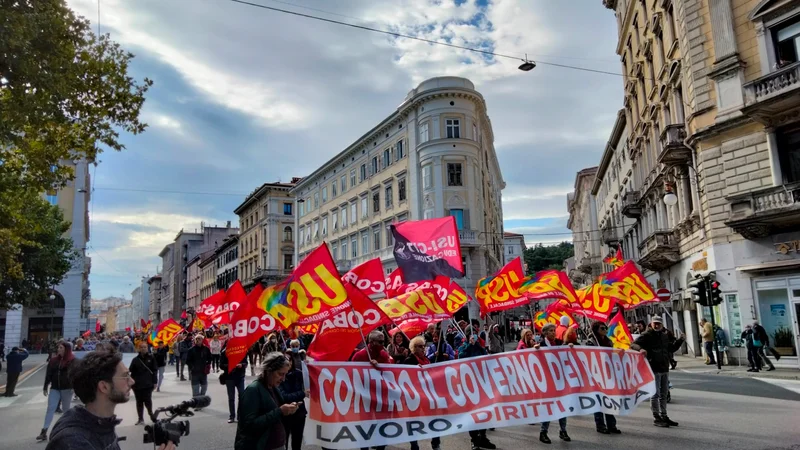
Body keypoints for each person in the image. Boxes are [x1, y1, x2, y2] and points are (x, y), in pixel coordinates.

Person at [45, 350, 175, 450]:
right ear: (104, 387)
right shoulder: (74, 441)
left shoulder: (100, 422)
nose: (132, 381)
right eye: (125, 376)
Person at [234, 353, 300, 450]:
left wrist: (289, 409)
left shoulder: (273, 387)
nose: (283, 379)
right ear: (269, 371)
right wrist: (280, 411)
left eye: (285, 374)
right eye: (280, 374)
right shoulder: (253, 390)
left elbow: (275, 411)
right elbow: (249, 425)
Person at [630, 316, 685, 428]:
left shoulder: (664, 336)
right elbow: (632, 345)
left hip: (664, 368)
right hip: (653, 368)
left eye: (659, 323)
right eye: (655, 323)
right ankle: (656, 417)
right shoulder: (646, 335)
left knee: (664, 394)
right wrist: (640, 349)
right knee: (655, 394)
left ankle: (664, 415)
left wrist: (680, 340)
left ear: (662, 324)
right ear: (651, 323)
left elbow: (671, 348)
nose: (657, 325)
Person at [457, 335, 494, 450]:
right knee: (472, 413)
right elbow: (460, 357)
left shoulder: (480, 347)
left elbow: (486, 358)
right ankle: (474, 440)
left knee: (484, 412)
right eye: (472, 334)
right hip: (469, 385)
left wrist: (478, 346)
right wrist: (469, 346)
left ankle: (483, 437)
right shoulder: (463, 347)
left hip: (482, 383)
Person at [404, 336, 441, 450]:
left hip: (427, 394)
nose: (423, 348)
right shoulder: (409, 360)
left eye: (424, 346)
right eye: (420, 346)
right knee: (413, 422)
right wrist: (414, 369)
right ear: (414, 348)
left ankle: (436, 443)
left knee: (433, 419)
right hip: (414, 396)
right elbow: (404, 375)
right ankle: (414, 445)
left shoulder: (426, 359)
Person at [536, 324, 571, 443]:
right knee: (548, 407)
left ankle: (563, 430)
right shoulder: (540, 345)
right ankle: (543, 432)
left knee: (562, 405)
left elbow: (566, 354)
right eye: (551, 331)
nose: (553, 333)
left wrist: (571, 347)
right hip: (547, 381)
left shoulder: (559, 343)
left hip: (559, 379)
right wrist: (536, 351)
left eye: (554, 331)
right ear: (545, 333)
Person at [586, 321, 621, 434]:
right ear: (596, 330)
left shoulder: (609, 341)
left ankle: (612, 425)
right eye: (602, 328)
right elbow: (589, 357)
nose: (605, 329)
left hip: (608, 374)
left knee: (610, 400)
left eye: (605, 327)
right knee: (599, 401)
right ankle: (600, 425)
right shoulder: (591, 342)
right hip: (596, 375)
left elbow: (612, 356)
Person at [37, 342, 77, 442]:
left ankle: (67, 430)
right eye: (58, 347)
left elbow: (75, 374)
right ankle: (44, 431)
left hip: (67, 389)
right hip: (55, 388)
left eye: (61, 348)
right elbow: (48, 373)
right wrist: (46, 385)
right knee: (50, 408)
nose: (58, 349)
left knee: (66, 410)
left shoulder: (73, 360)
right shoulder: (54, 360)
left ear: (66, 349)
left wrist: (75, 386)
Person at [278, 350, 308, 450]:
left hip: (299, 413)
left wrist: (308, 368)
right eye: (286, 360)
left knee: (297, 442)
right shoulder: (279, 376)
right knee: (283, 442)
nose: (289, 362)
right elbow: (284, 396)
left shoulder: (299, 374)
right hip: (285, 414)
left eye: (290, 360)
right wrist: (302, 394)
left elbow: (308, 386)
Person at [129, 342, 157, 425]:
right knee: (139, 402)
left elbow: (155, 371)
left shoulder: (151, 358)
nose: (143, 349)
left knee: (148, 401)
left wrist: (155, 382)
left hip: (148, 384)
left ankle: (152, 416)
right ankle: (140, 419)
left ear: (147, 348)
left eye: (145, 347)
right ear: (139, 349)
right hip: (137, 385)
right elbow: (131, 371)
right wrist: (131, 384)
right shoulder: (135, 360)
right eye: (141, 347)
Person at [220, 340, 247, 423]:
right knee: (231, 398)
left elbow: (246, 363)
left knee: (242, 396)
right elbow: (221, 365)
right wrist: (231, 365)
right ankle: (232, 416)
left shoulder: (241, 351)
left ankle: (240, 416)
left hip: (240, 377)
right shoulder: (224, 352)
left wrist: (241, 365)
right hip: (229, 377)